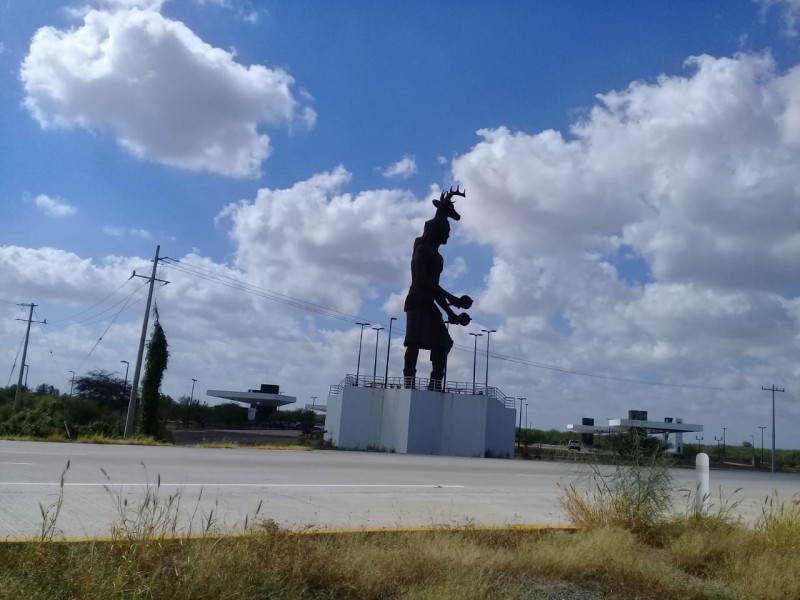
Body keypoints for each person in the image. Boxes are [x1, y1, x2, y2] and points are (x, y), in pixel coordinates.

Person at [403, 217, 472, 390]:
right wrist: (452, 298)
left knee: (443, 343)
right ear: (437, 231)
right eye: (446, 232)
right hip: (417, 300)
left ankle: (434, 384)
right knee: (414, 342)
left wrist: (450, 313)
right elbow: (422, 279)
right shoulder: (422, 249)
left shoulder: (438, 257)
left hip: (428, 301)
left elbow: (434, 290)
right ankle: (409, 382)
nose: (448, 236)